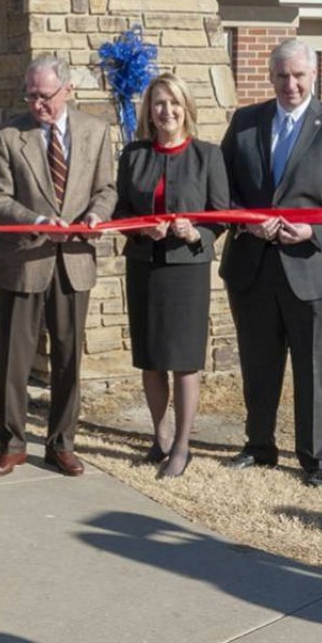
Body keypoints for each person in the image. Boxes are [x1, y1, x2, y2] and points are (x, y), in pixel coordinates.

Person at [219, 39, 322, 487]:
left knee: (317, 370)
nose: (291, 84)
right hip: (254, 267)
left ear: (313, 76)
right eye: (282, 75)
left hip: (317, 268)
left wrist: (313, 232)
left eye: (299, 75)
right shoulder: (245, 123)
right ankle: (258, 444)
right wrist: (247, 224)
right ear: (270, 77)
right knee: (258, 365)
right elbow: (221, 188)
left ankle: (318, 459)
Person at [0, 55, 115, 478]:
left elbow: (106, 188)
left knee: (67, 358)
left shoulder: (96, 133)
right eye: (31, 95)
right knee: (15, 361)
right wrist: (38, 221)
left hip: (74, 260)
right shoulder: (9, 136)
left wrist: (96, 216)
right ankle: (12, 443)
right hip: (25, 259)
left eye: (45, 95)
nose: (37, 103)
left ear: (67, 91)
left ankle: (61, 443)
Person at [111, 72, 229, 479]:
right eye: (159, 103)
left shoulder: (208, 155)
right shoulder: (134, 155)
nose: (167, 111)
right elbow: (120, 212)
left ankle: (183, 445)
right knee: (150, 358)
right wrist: (142, 227)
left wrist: (196, 231)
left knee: (183, 360)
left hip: (186, 269)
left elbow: (221, 214)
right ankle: (159, 436)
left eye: (174, 103)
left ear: (186, 109)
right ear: (149, 111)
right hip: (144, 264)